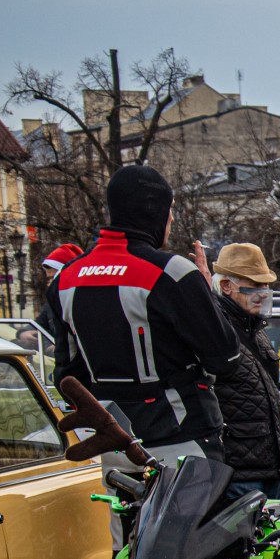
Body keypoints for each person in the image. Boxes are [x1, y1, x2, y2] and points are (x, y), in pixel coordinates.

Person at [56, 165, 241, 459]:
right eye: (170, 210)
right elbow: (226, 357)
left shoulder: (65, 278)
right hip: (182, 440)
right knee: (198, 507)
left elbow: (66, 375)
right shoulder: (173, 272)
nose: (171, 219)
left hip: (112, 442)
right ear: (156, 212)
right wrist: (208, 295)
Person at [208, 243, 280, 499]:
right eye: (255, 286)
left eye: (266, 286)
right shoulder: (216, 330)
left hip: (271, 471)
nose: (263, 293)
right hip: (238, 476)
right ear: (226, 286)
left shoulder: (256, 331)